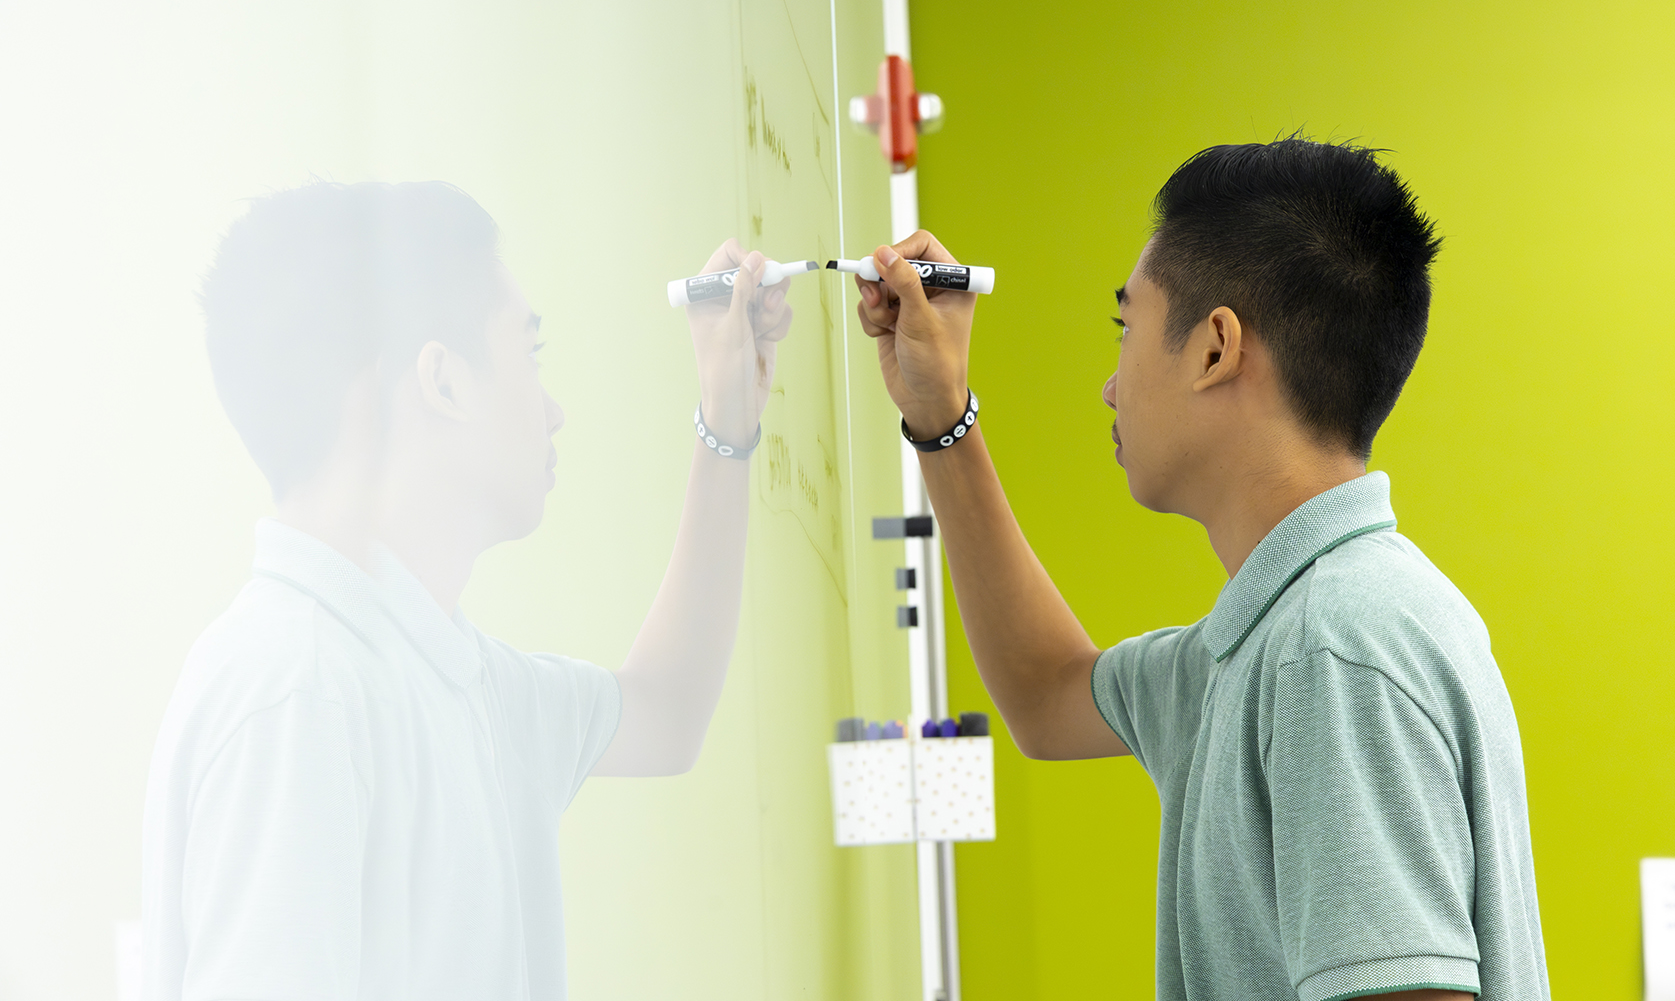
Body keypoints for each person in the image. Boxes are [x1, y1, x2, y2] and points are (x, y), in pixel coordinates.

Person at [852, 138, 1548, 1001]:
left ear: (1216, 348)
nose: (1110, 386)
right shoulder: (1264, 644)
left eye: (1127, 330)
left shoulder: (1331, 650)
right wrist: (940, 414)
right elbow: (1046, 694)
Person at [142, 181, 790, 1001]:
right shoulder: (294, 693)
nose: (554, 411)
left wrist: (727, 418)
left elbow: (666, 715)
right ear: (444, 382)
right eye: (530, 352)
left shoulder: (456, 682)